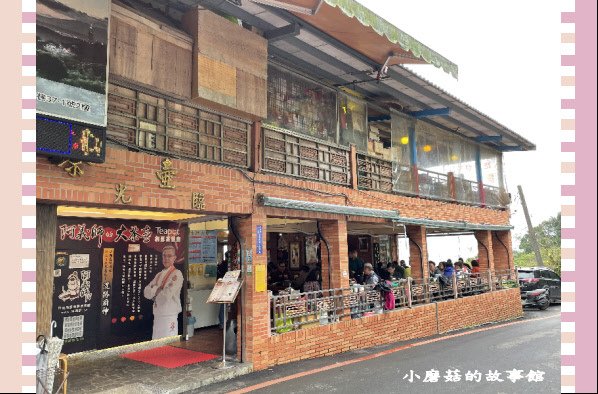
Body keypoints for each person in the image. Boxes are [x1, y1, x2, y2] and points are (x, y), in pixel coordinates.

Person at [143, 245, 184, 339]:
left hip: (169, 314)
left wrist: (154, 290)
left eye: (169, 256)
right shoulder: (159, 274)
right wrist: (158, 289)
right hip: (158, 313)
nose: (166, 258)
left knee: (168, 343)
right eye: (164, 256)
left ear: (174, 258)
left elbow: (165, 296)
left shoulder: (177, 274)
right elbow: (146, 292)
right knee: (156, 342)